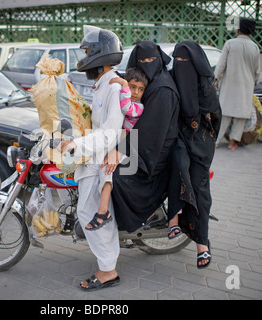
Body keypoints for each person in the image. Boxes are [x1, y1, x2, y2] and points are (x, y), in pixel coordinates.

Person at [58, 26, 124, 291]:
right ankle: (106, 263)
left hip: (104, 156)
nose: (83, 58)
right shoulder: (103, 85)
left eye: (87, 52)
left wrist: (77, 143)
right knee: (84, 208)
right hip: (94, 153)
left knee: (92, 212)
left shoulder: (113, 88)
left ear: (99, 54)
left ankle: (108, 269)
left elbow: (110, 131)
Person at [108, 41, 180, 233]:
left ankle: (132, 223)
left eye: (152, 59)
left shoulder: (162, 89)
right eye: (143, 60)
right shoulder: (147, 80)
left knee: (116, 175)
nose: (147, 63)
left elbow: (149, 130)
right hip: (143, 141)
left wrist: (119, 150)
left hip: (155, 151)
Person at [168, 40, 221, 269]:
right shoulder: (170, 80)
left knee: (201, 191)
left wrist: (208, 141)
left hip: (200, 144)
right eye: (178, 60)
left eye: (186, 61)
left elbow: (216, 119)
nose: (181, 65)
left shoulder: (206, 88)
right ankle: (173, 220)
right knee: (177, 170)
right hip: (177, 139)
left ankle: (202, 245)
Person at [85, 67, 148, 231]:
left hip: (126, 144)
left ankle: (103, 211)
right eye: (133, 87)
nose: (135, 92)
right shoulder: (119, 93)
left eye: (140, 89)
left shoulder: (138, 107)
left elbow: (126, 108)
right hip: (116, 141)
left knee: (107, 170)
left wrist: (124, 85)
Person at [214, 17, 260, 151]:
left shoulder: (230, 44)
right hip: (246, 86)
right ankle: (232, 143)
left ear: (238, 30)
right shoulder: (255, 47)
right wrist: (253, 83)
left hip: (229, 85)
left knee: (225, 115)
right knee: (240, 117)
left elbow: (220, 66)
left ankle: (216, 142)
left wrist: (216, 80)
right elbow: (257, 71)